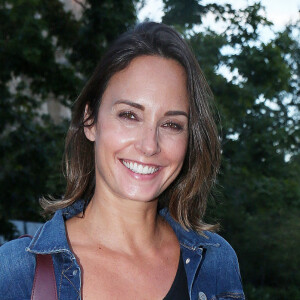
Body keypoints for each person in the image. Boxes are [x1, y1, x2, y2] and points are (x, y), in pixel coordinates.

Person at [0, 22, 245, 300]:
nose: (149, 145)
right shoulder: (15, 273)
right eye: (129, 115)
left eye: (172, 124)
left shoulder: (215, 262)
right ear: (90, 121)